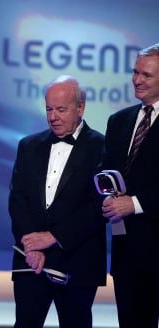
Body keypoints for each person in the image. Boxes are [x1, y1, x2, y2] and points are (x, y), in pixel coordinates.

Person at [8, 75, 107, 328]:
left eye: (61, 109)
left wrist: (53, 237)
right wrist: (33, 245)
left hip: (77, 259)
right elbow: (18, 199)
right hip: (30, 259)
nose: (53, 117)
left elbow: (97, 207)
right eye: (49, 109)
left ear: (80, 107)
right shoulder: (28, 145)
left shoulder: (103, 147)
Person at [100, 43, 159, 328]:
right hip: (127, 254)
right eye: (135, 72)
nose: (137, 80)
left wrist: (134, 204)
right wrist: (107, 197)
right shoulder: (119, 121)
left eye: (146, 75)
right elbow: (107, 173)